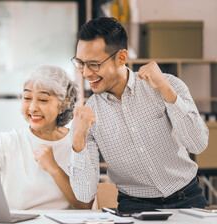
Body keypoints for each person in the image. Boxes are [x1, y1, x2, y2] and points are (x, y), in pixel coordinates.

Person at [69, 17, 209, 213]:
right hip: (135, 206)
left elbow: (198, 144)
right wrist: (78, 139)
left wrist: (166, 91)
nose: (86, 73)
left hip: (187, 197)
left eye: (93, 64)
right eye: (81, 63)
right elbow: (84, 194)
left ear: (121, 57)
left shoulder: (166, 85)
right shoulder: (88, 115)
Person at [0, 65, 93, 210]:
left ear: (63, 104)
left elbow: (84, 206)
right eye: (27, 97)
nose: (32, 108)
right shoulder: (10, 141)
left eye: (42, 100)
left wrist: (54, 169)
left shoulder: (78, 144)